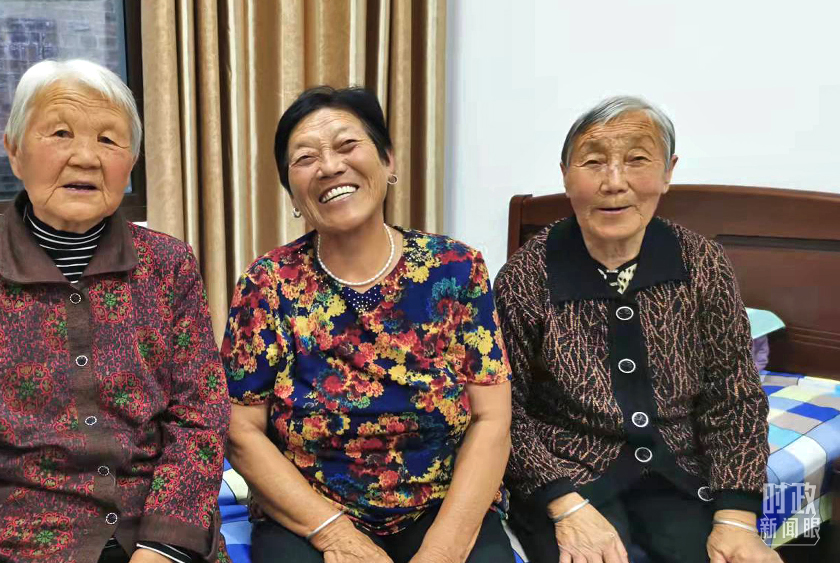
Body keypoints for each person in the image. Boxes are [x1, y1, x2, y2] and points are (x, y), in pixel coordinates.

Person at [0, 59, 229, 563]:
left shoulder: (169, 265)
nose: (85, 157)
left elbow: (201, 416)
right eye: (61, 133)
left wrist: (164, 547)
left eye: (108, 140)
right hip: (19, 544)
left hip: (156, 532)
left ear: (131, 162)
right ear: (14, 151)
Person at [221, 86, 514, 563]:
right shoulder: (268, 282)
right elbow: (241, 429)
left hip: (438, 505)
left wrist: (444, 548)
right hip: (309, 512)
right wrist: (334, 534)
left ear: (388, 161)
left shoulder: (457, 268)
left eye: (347, 145)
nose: (329, 166)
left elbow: (492, 418)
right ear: (292, 193)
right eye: (305, 158)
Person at [495, 96, 780, 563]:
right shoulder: (526, 276)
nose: (614, 182)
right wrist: (563, 503)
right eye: (593, 162)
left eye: (637, 160)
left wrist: (737, 518)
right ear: (565, 174)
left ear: (668, 172)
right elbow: (504, 410)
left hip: (678, 476)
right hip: (566, 478)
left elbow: (733, 396)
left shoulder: (703, 263)